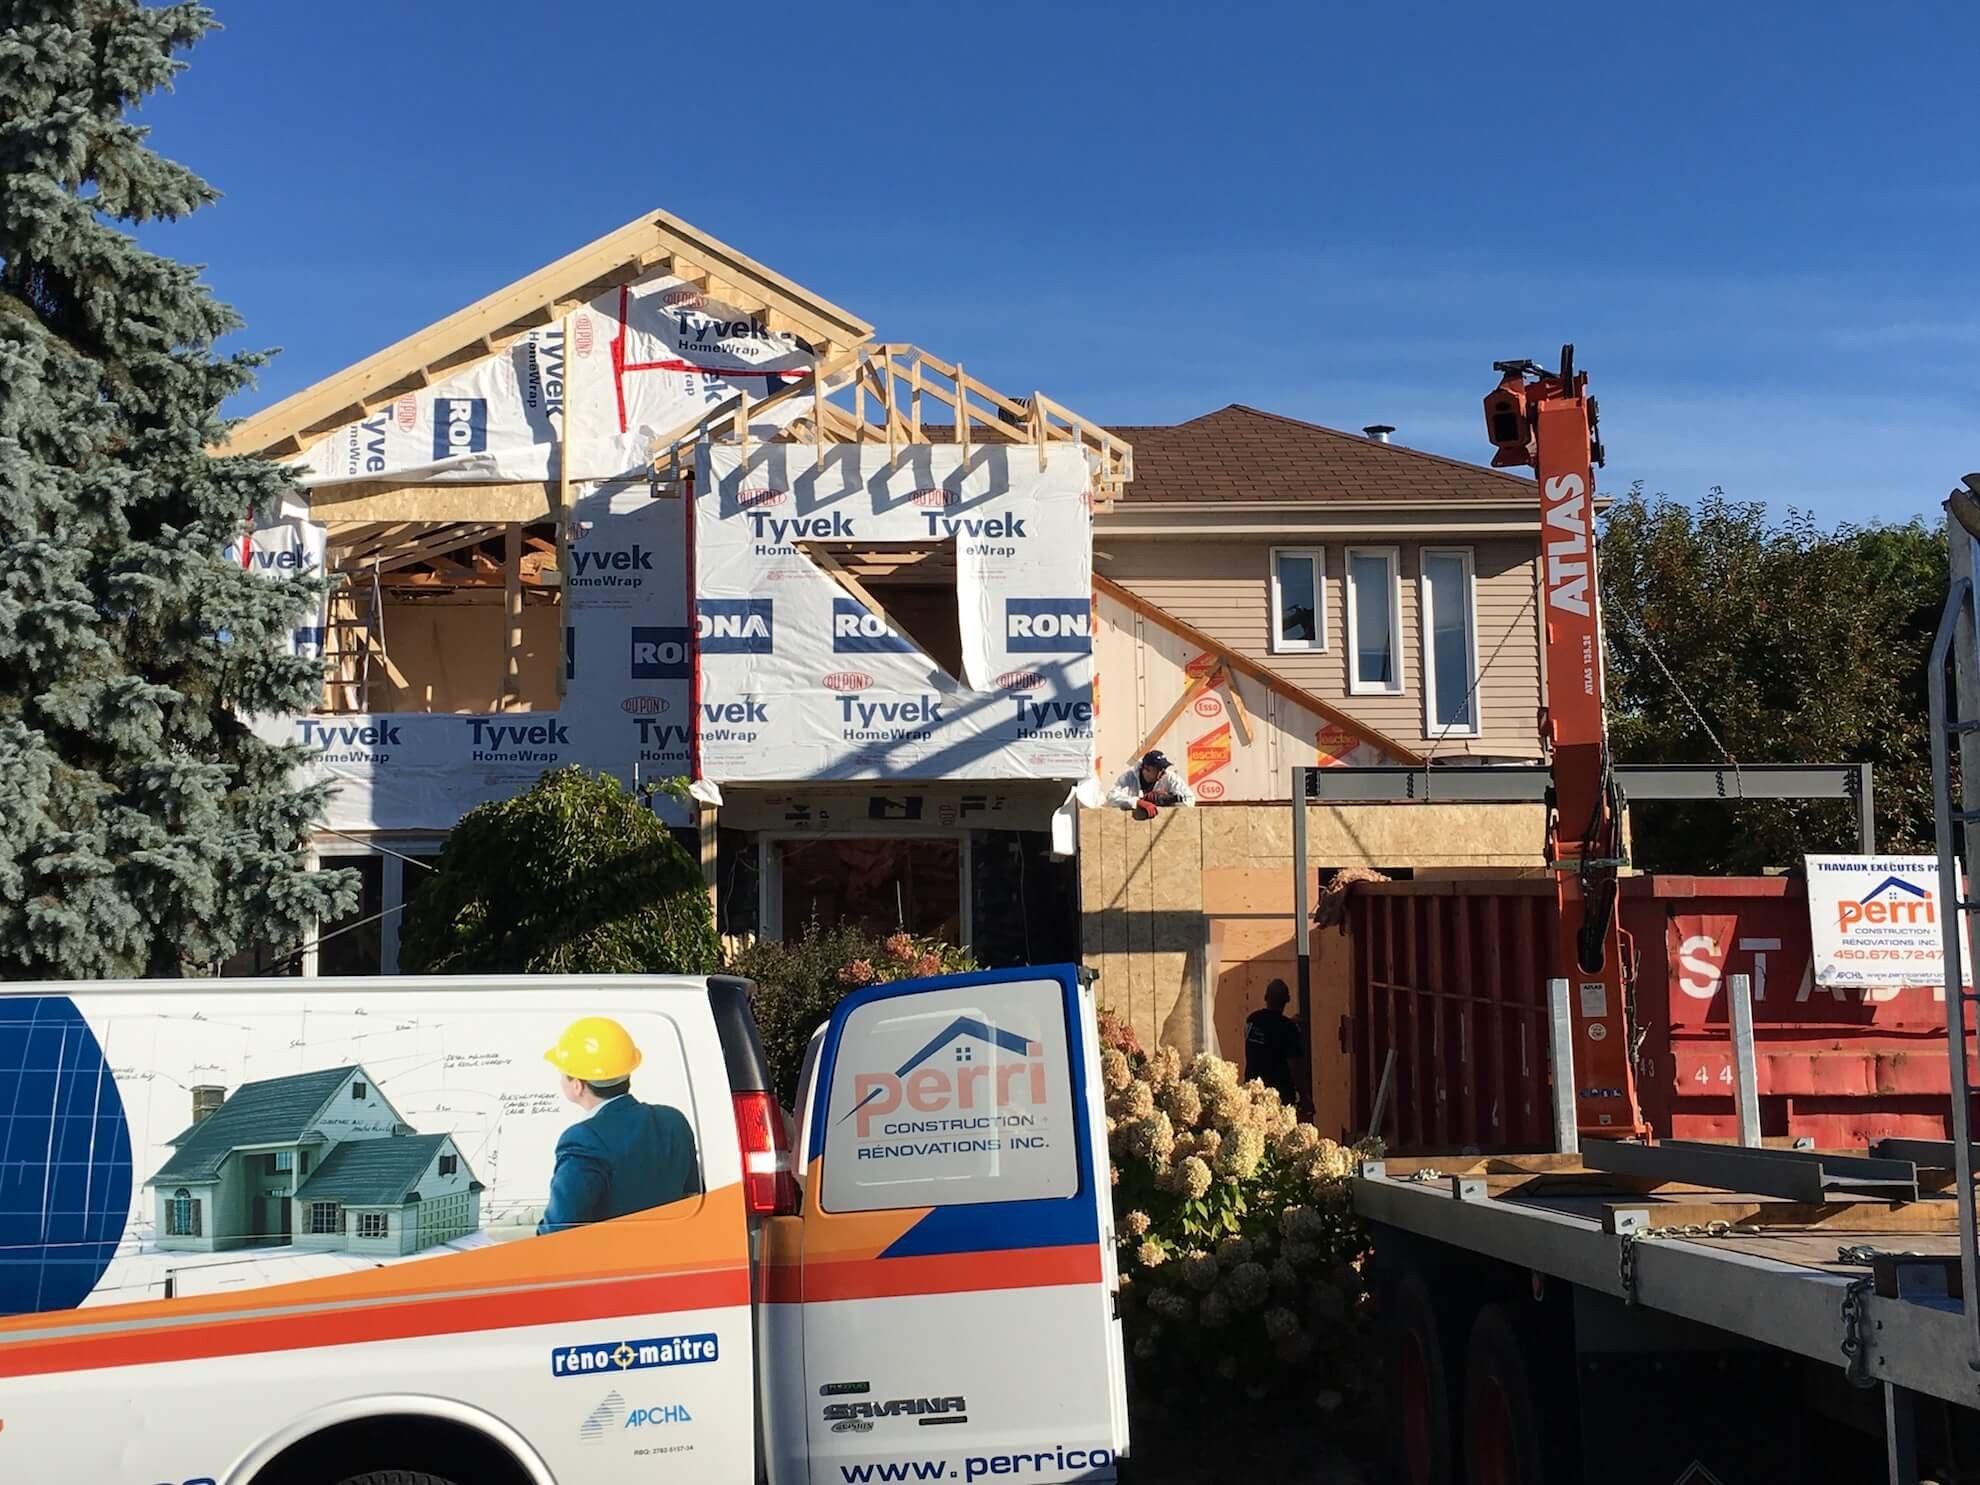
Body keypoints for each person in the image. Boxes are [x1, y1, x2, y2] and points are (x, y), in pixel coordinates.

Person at [538, 1016, 701, 1234]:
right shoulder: (673, 1121)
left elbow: (557, 1231)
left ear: (577, 1085)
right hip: (671, 1257)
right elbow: (693, 1197)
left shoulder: (583, 1139)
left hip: (609, 1264)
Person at [1243, 979, 1304, 1108]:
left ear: (1266, 997)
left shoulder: (1252, 1020)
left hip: (1252, 1090)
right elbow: (1294, 1065)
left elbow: (1268, 1033)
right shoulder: (1288, 1029)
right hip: (1279, 1095)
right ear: (1287, 999)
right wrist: (1304, 1095)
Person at [1108, 749, 1196, 817]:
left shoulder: (1170, 777)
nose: (1163, 772)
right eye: (1158, 769)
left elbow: (1190, 799)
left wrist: (1168, 798)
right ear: (1146, 769)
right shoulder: (1130, 777)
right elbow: (1111, 797)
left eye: (1164, 769)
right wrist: (1138, 802)